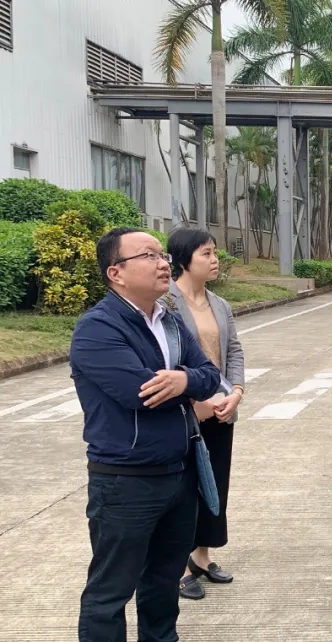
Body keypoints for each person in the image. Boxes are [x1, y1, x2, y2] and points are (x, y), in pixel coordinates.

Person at [71, 228, 221, 642]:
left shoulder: (169, 321)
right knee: (111, 590)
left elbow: (210, 376)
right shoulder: (97, 328)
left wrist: (183, 380)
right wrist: (187, 385)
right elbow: (141, 393)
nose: (163, 263)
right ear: (116, 272)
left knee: (163, 583)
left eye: (162, 255)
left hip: (179, 473)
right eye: (149, 256)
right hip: (126, 481)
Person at [161, 228, 246, 600]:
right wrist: (192, 402)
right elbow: (165, 360)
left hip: (221, 409)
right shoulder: (165, 303)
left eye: (214, 253)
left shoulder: (219, 304)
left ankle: (202, 555)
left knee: (215, 483)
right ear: (184, 260)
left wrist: (237, 392)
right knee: (183, 489)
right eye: (206, 253)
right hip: (186, 411)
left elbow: (234, 351)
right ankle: (178, 565)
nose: (215, 260)